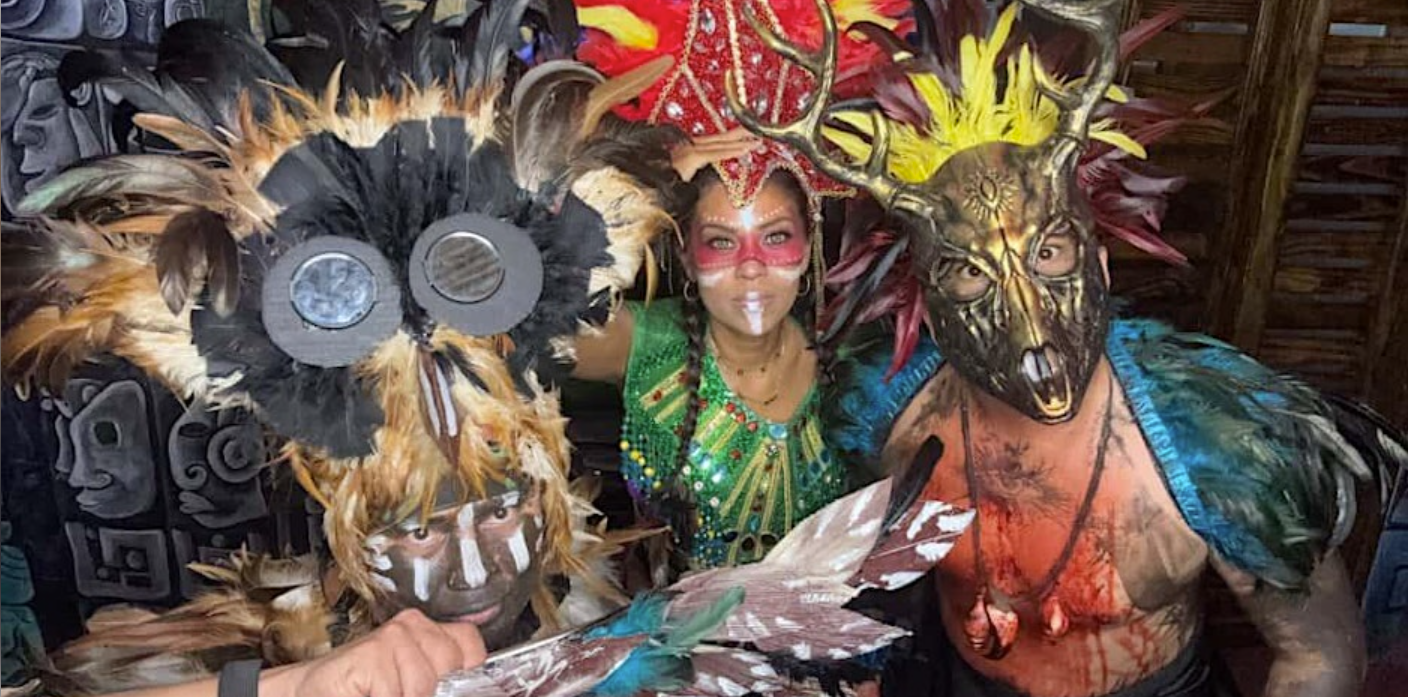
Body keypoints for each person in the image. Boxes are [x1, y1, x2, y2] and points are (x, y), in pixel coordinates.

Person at [727, 0, 1404, 696]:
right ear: (929, 306)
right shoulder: (883, 413)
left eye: (1049, 252)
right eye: (970, 272)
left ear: (1102, 267)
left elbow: (1318, 658)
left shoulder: (1215, 448)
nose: (1030, 318)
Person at [569, 0, 913, 578]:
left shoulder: (855, 360)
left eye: (775, 236)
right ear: (683, 250)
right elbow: (521, 328)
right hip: (675, 655)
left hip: (830, 656)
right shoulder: (643, 344)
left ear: (809, 247)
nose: (751, 266)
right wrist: (644, 196)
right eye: (722, 242)